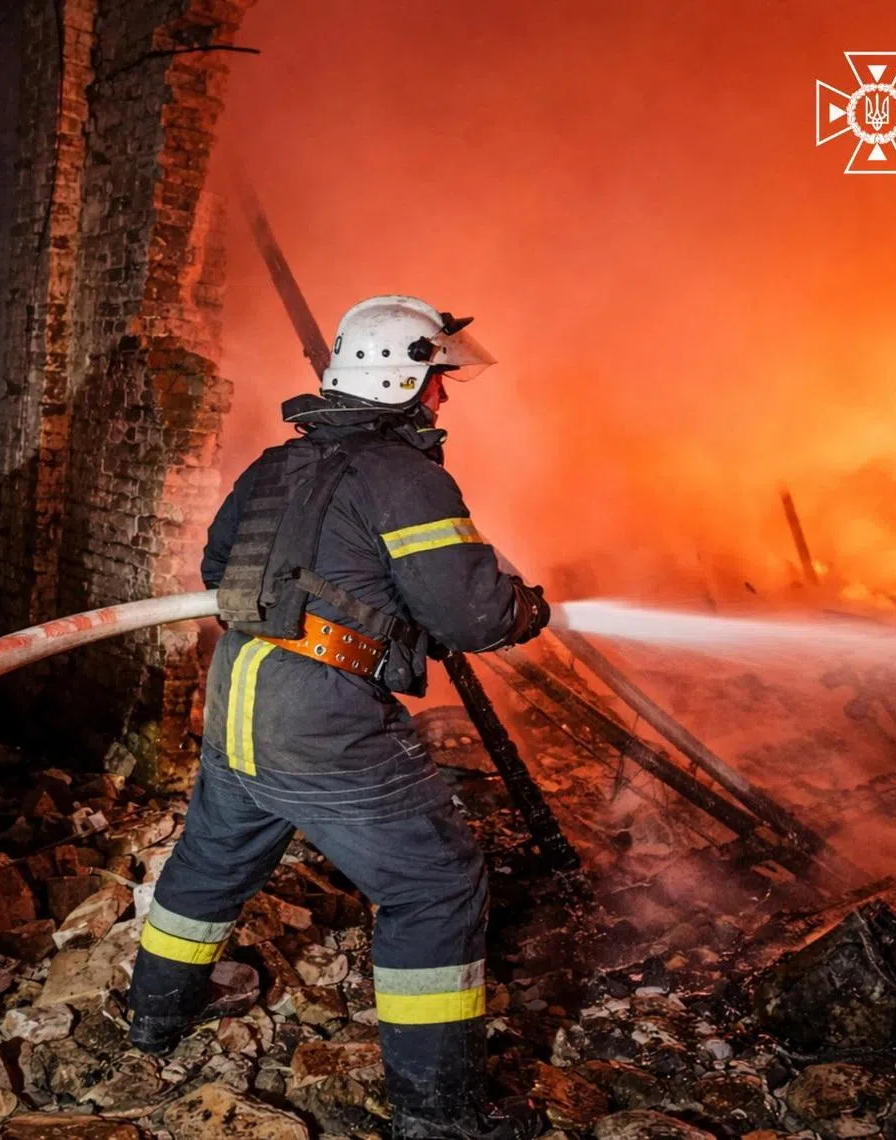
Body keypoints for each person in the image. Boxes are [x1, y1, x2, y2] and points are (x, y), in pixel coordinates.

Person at [127, 295, 550, 1139]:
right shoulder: (408, 479)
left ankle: (155, 1018)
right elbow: (472, 617)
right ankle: (439, 1120)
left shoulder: (275, 467)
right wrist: (524, 610)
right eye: (438, 383)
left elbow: (220, 567)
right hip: (320, 715)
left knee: (213, 857)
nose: (443, 400)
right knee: (434, 885)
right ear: (404, 379)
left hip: (239, 691)